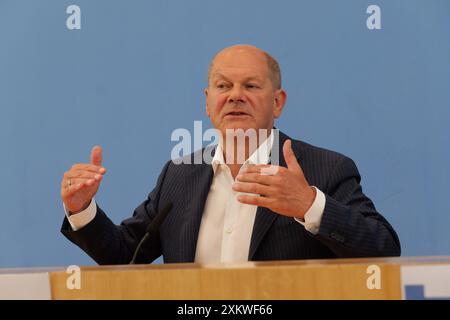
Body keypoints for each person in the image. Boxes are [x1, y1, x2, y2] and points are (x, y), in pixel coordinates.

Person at [60, 45, 401, 265]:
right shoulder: (179, 175)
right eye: (224, 86)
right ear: (208, 102)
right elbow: (125, 255)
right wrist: (82, 209)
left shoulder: (325, 169)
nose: (235, 96)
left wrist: (309, 204)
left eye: (251, 86)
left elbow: (383, 250)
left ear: (278, 102)